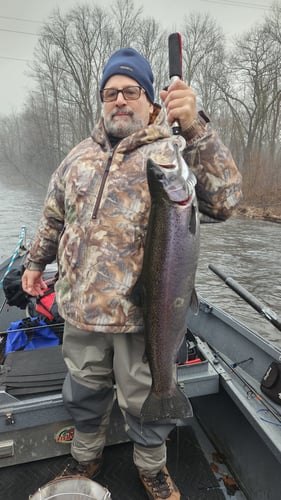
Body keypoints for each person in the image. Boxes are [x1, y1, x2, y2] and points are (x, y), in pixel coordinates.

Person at [22, 48, 242, 500]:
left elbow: (225, 201)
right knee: (82, 390)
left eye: (130, 91)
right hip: (81, 309)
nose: (119, 100)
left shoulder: (171, 152)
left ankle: (152, 467)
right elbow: (53, 216)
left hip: (143, 314)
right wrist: (33, 264)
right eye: (110, 92)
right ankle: (86, 455)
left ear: (150, 100)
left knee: (148, 399)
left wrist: (196, 126)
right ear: (102, 100)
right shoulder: (78, 156)